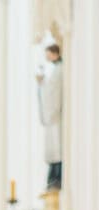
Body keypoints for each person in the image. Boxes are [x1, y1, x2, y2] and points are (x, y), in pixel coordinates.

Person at [36, 40, 63, 193]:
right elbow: (49, 91)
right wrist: (41, 84)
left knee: (57, 149)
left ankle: (56, 177)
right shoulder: (54, 69)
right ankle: (54, 177)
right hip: (52, 118)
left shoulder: (60, 69)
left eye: (48, 54)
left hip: (56, 117)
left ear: (55, 54)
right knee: (53, 150)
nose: (47, 57)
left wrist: (42, 84)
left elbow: (53, 92)